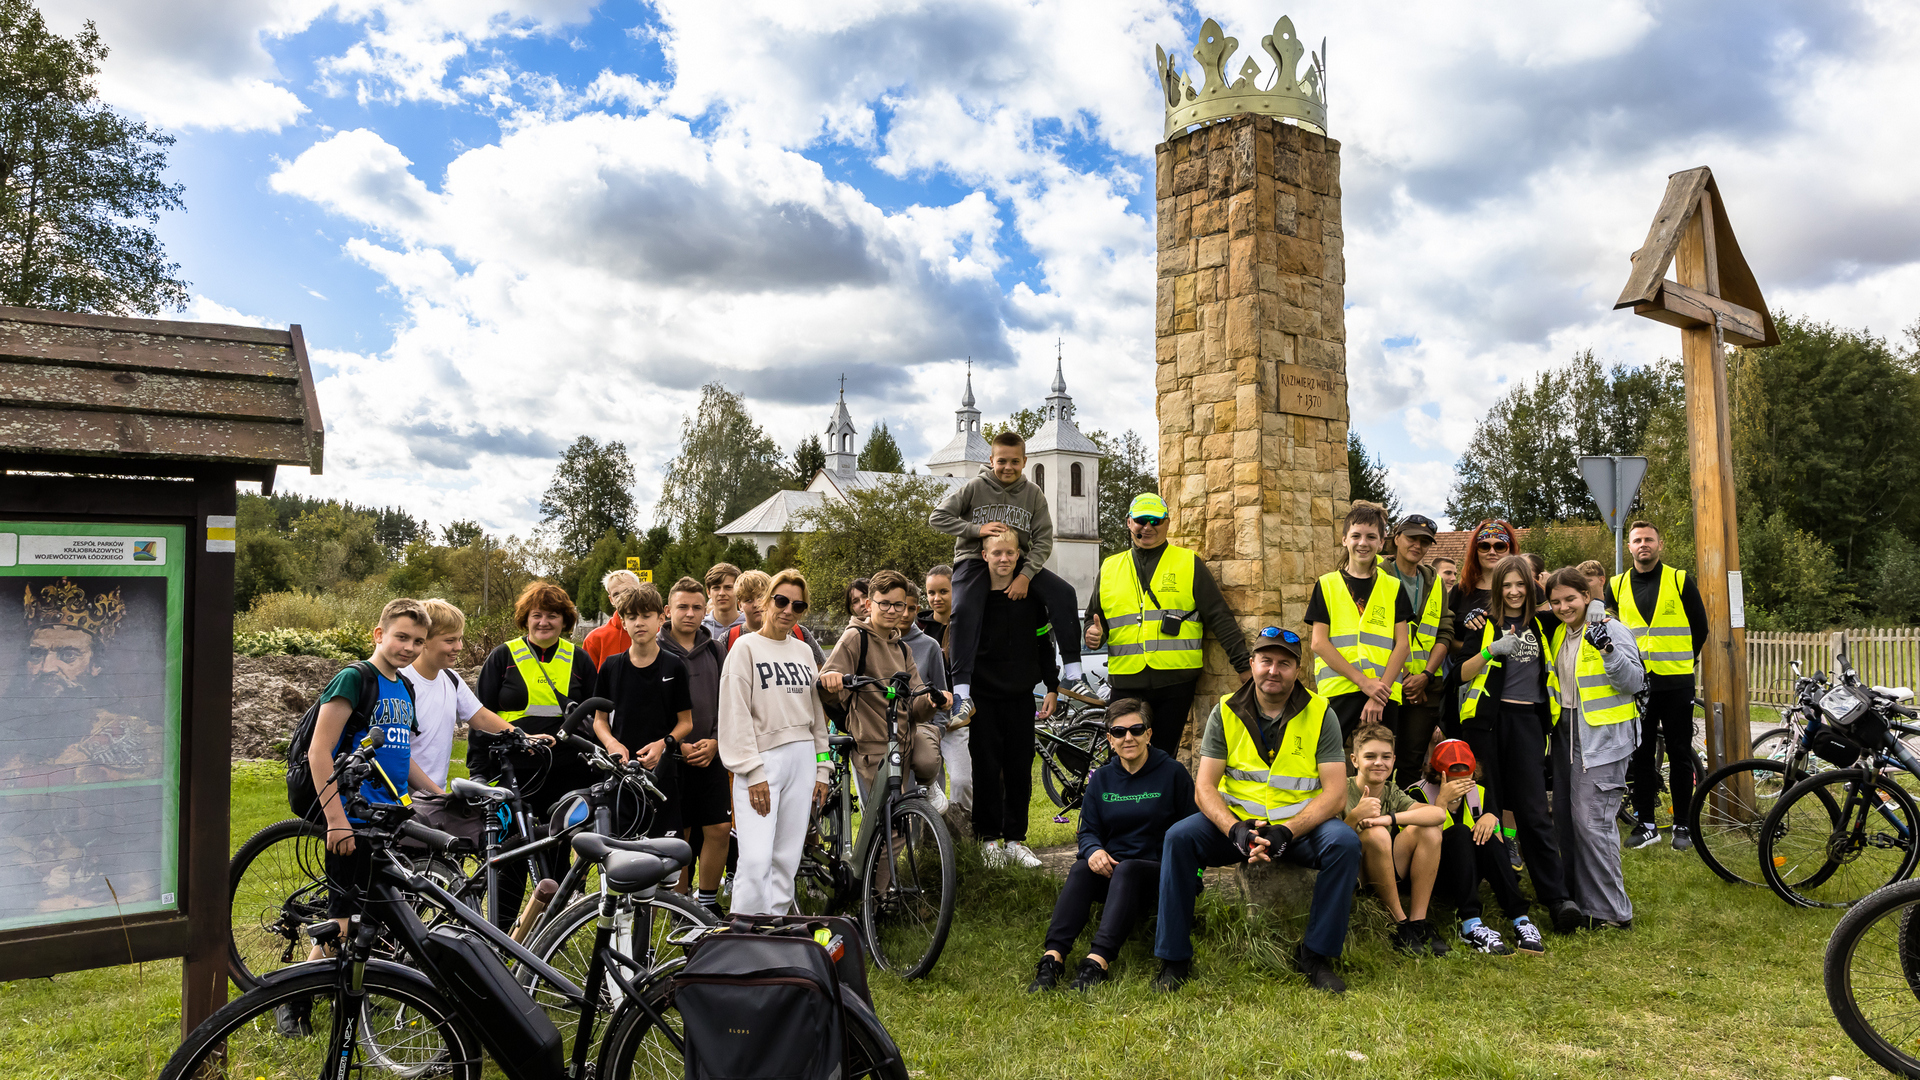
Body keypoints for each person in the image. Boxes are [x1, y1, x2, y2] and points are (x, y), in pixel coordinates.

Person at [1154, 625, 1361, 994]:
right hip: (1237, 827)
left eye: (1284, 663)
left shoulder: (1321, 712)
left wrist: (1287, 831)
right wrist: (1234, 829)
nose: (1273, 670)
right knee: (1178, 838)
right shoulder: (1225, 710)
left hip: (1297, 830)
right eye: (1266, 660)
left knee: (1344, 844)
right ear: (1251, 664)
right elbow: (1204, 788)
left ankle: (1315, 955)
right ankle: (1174, 959)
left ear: (1298, 670)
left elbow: (1335, 795)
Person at [1029, 698, 1195, 993]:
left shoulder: (1173, 774)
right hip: (1112, 872)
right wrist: (1093, 852)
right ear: (1110, 739)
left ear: (1149, 734)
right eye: (1119, 732)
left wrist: (1192, 879)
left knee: (1128, 869)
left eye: (1136, 729)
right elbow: (1088, 830)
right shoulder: (1102, 779)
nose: (1127, 737)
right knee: (1081, 869)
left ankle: (1097, 962)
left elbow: (1191, 830)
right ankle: (1052, 959)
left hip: (1158, 873)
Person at [1452, 555, 1581, 934]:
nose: (1512, 592)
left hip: (1528, 723)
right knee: (1487, 810)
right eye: (1506, 585)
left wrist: (1598, 609)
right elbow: (1458, 674)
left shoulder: (1542, 623)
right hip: (1487, 725)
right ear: (1497, 588)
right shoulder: (1484, 622)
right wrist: (1491, 650)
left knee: (1534, 814)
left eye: (1519, 585)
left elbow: (1578, 604)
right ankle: (1490, 899)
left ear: (1530, 587)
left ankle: (1558, 900)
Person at [305, 599, 440, 959]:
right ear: (379, 635)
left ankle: (354, 988)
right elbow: (319, 752)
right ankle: (294, 999)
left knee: (372, 915)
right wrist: (335, 821)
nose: (409, 647)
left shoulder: (406, 688)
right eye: (401, 637)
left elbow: (401, 756)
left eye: (418, 641)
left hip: (388, 817)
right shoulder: (355, 678)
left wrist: (437, 793)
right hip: (353, 815)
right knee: (341, 921)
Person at [928, 430, 1087, 726]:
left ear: (1024, 461)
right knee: (963, 611)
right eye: (1002, 461)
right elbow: (937, 517)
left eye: (1015, 461)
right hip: (975, 560)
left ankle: (1074, 674)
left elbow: (1043, 539)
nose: (1008, 467)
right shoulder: (976, 487)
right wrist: (977, 530)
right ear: (991, 460)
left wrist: (1026, 574)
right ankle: (963, 694)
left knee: (1064, 593)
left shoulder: (1033, 494)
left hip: (1017, 560)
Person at [1084, 493, 1252, 757]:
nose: (1148, 527)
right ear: (1129, 523)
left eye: (1156, 520)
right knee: (1121, 755)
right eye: (1141, 520)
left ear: (1167, 523)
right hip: (1126, 680)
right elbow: (1094, 620)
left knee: (1161, 757)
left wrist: (1244, 665)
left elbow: (1219, 616)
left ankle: (1157, 799)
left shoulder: (1188, 563)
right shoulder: (1109, 567)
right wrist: (1093, 635)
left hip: (1175, 682)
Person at [473, 581, 595, 930]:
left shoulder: (579, 658)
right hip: (516, 771)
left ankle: (546, 934)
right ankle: (501, 929)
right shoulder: (503, 656)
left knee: (556, 853)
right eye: (537, 615)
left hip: (566, 772)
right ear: (525, 619)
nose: (544, 622)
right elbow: (480, 715)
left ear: (565, 620)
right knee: (512, 855)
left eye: (552, 616)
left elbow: (595, 717)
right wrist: (480, 771)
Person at [717, 570, 833, 915]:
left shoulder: (802, 652)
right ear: (765, 602)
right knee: (755, 858)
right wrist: (751, 771)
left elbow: (817, 718)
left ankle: (775, 932)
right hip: (762, 762)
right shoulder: (744, 648)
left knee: (786, 857)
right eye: (781, 601)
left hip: (802, 759)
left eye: (798, 605)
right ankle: (744, 936)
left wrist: (823, 768)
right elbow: (734, 715)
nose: (788, 610)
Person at [1546, 567, 1643, 930]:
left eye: (1570, 599)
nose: (1563, 606)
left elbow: (1633, 681)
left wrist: (1606, 649)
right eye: (1555, 601)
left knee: (1593, 822)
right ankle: (1579, 900)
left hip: (1603, 741)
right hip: (1568, 737)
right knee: (1569, 823)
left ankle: (1612, 912)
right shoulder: (1560, 634)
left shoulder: (1612, 629)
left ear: (1587, 596)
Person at [1604, 521, 1708, 852]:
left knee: (1679, 754)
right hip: (1636, 683)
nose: (1643, 544)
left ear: (1659, 545)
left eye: (1649, 539)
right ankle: (1646, 823)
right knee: (1641, 754)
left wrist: (1684, 664)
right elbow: (1609, 630)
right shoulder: (1615, 585)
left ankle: (1682, 825)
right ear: (1629, 547)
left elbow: (1700, 627)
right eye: (1637, 540)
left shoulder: (1679, 579)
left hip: (1676, 682)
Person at [819, 569, 951, 817]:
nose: (892, 611)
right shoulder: (855, 638)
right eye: (885, 604)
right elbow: (828, 683)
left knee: (903, 816)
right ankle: (868, 855)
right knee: (886, 823)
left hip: (902, 740)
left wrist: (934, 700)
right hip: (872, 745)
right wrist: (831, 680)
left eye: (898, 605)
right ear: (869, 605)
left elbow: (916, 703)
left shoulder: (902, 649)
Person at [962, 534, 1058, 867]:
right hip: (983, 699)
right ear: (984, 555)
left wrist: (1052, 686)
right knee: (986, 770)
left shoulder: (1032, 598)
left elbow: (1044, 646)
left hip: (1021, 698)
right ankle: (988, 842)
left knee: (1019, 770)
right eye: (997, 553)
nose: (1004, 559)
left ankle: (1016, 841)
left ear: (1019, 556)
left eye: (1010, 553)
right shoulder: (973, 596)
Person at [1404, 739, 1537, 955]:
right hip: (1430, 876)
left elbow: (1498, 846)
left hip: (1470, 874)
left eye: (1466, 778)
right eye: (1453, 778)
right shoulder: (1416, 794)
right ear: (1438, 774)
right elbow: (1414, 843)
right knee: (1460, 832)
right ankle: (1470, 923)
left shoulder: (1481, 793)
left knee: (1490, 837)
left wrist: (1491, 818)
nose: (1461, 784)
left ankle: (1520, 919)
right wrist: (1442, 802)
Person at [402, 598, 549, 791]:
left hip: (430, 798)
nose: (459, 647)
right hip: (403, 796)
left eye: (460, 638)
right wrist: (439, 795)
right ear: (424, 639)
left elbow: (480, 716)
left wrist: (523, 737)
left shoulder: (450, 679)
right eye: (450, 640)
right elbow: (398, 754)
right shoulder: (401, 682)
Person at [592, 583, 694, 839]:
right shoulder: (611, 667)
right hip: (620, 774)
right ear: (623, 622)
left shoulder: (674, 666)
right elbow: (599, 720)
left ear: (660, 618)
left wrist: (663, 745)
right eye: (632, 616)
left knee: (665, 856)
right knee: (622, 855)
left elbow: (686, 723)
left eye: (646, 615)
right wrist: (612, 743)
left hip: (662, 774)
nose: (639, 622)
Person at [1307, 501, 1411, 745]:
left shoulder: (1394, 587)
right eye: (1356, 536)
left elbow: (1403, 645)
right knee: (1329, 762)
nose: (1363, 543)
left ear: (1382, 541)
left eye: (1371, 537)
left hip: (1384, 695)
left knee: (1380, 766)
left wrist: (1379, 693)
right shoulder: (1326, 584)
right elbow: (1319, 643)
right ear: (1344, 539)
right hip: (1339, 692)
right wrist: (1365, 684)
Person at [656, 576, 731, 914]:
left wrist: (716, 740)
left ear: (706, 610)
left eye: (697, 607)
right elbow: (649, 708)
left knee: (718, 827)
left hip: (712, 752)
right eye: (682, 607)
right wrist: (676, 745)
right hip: (672, 756)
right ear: (667, 611)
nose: (689, 613)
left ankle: (707, 901)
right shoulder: (654, 649)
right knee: (680, 834)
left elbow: (728, 701)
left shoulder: (717, 649)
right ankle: (682, 908)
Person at [1345, 724, 1447, 956]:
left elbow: (1437, 814)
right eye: (1370, 756)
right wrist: (1354, 817)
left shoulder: (1391, 791)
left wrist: (1388, 818)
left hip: (1383, 868)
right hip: (1353, 874)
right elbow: (1330, 840)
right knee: (1377, 834)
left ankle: (1417, 923)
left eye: (1386, 757)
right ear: (1354, 760)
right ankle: (1398, 924)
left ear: (1394, 760)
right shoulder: (1343, 789)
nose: (1379, 763)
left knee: (1429, 830)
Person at [1381, 514, 1452, 788]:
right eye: (1411, 538)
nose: (1417, 545)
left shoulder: (1433, 581)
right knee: (1380, 761)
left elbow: (1444, 630)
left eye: (1425, 541)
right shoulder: (1378, 574)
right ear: (1396, 538)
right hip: (1386, 683)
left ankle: (1406, 826)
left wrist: (1425, 675)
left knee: (1411, 763)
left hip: (1425, 688)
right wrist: (1406, 677)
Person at [893, 577, 958, 811]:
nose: (904, 614)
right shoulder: (877, 641)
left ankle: (933, 845)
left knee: (929, 800)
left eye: (911, 608)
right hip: (890, 730)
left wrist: (938, 730)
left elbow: (942, 693)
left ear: (917, 609)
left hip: (923, 729)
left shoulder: (929, 646)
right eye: (899, 606)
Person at [918, 565, 970, 814]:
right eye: (931, 592)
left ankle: (965, 836)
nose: (936, 598)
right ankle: (934, 843)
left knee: (962, 781)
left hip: (957, 720)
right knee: (930, 785)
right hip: (926, 719)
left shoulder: (968, 624)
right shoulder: (920, 629)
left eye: (943, 591)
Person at [726, 569, 824, 665]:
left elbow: (821, 670)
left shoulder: (800, 634)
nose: (757, 604)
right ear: (739, 605)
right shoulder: (730, 638)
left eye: (760, 597)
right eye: (748, 600)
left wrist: (830, 673)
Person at [581, 569, 641, 669]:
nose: (623, 597)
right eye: (616, 594)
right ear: (611, 600)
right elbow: (587, 681)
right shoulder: (594, 639)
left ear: (640, 591)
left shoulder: (657, 632)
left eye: (628, 591)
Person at [701, 563, 743, 641]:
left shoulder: (751, 626)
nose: (722, 593)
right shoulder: (700, 629)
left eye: (728, 587)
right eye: (716, 588)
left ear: (739, 590)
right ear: (708, 593)